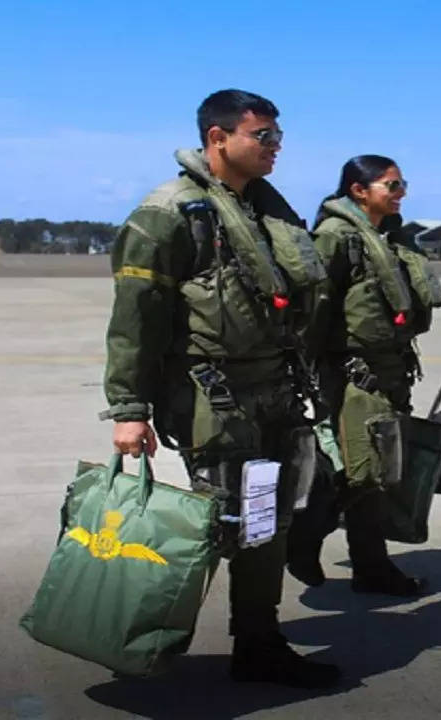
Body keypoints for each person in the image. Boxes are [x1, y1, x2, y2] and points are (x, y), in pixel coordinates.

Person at [102, 89, 338, 689]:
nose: (276, 148)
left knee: (267, 521)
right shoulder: (169, 213)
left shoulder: (264, 211)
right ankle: (135, 627)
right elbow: (135, 319)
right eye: (264, 137)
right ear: (218, 138)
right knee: (220, 521)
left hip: (276, 389)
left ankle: (257, 640)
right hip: (215, 396)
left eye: (278, 138)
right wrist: (130, 409)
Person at [285, 155, 440, 596]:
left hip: (393, 369)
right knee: (365, 472)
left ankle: (372, 567)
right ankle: (305, 536)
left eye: (401, 184)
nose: (401, 192)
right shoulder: (335, 237)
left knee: (380, 473)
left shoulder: (390, 238)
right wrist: (310, 375)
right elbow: (313, 311)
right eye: (391, 185)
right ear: (358, 190)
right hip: (355, 375)